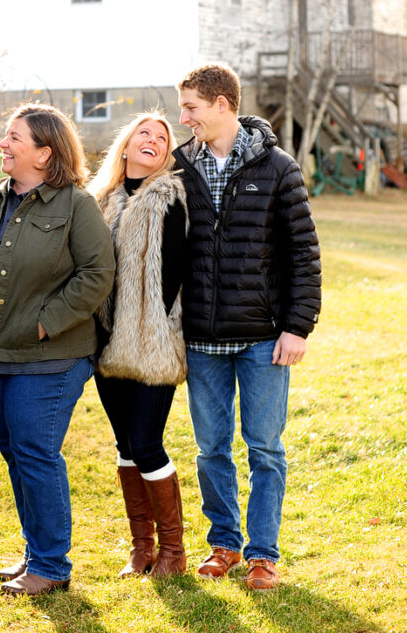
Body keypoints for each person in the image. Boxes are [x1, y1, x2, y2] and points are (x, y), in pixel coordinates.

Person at [0, 104, 115, 597]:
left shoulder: (75, 205)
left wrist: (47, 323)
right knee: (16, 455)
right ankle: (35, 550)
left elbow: (97, 275)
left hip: (51, 357)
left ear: (44, 153)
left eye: (13, 138)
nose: (3, 143)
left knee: (36, 453)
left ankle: (51, 565)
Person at [173, 64, 321, 591]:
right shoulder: (180, 168)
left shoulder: (277, 166)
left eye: (191, 107)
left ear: (222, 105)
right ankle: (224, 544)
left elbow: (303, 253)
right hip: (203, 340)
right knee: (211, 448)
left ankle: (263, 555)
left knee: (264, 449)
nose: (184, 117)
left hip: (263, 337)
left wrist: (297, 327)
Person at [89, 113, 189, 578]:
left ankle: (173, 551)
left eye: (161, 138)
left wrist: (145, 328)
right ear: (125, 146)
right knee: (125, 445)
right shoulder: (101, 200)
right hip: (105, 343)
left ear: (166, 154)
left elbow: (171, 278)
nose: (151, 140)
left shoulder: (169, 198)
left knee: (147, 442)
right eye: (143, 134)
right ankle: (141, 548)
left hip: (151, 342)